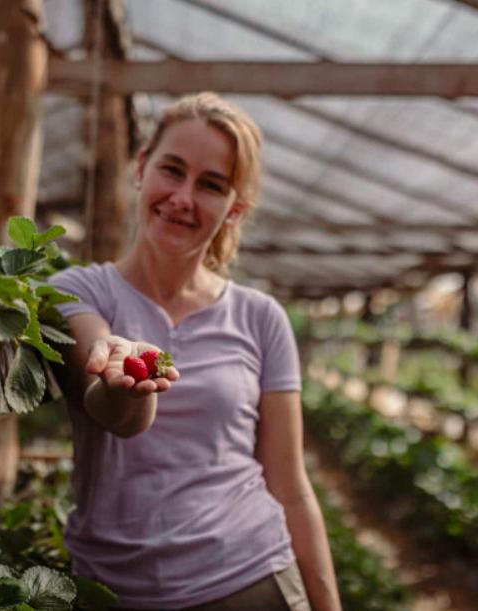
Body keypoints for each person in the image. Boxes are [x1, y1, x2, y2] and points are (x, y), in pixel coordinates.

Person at [49, 92, 342, 610]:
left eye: (211, 185)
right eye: (172, 170)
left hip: (251, 578)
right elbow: (112, 412)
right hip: (114, 590)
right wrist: (126, 376)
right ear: (141, 168)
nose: (183, 197)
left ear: (236, 208)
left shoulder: (260, 318)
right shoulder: (81, 291)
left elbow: (290, 484)